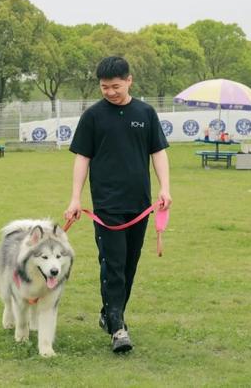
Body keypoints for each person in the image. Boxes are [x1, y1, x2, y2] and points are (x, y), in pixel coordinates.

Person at [64, 56, 172, 353]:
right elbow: (82, 158)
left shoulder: (145, 113)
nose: (110, 92)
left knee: (129, 264)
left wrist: (165, 189)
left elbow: (158, 152)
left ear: (129, 80)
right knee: (113, 265)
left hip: (140, 204)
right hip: (107, 205)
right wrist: (76, 198)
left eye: (115, 86)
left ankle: (109, 314)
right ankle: (118, 327)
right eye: (104, 87)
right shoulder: (93, 116)